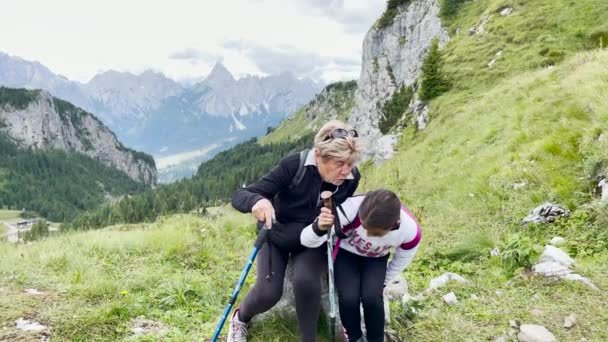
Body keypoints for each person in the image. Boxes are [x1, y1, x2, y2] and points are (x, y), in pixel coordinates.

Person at [228, 120, 363, 342]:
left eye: (350, 163)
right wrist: (257, 201)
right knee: (268, 292)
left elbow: (341, 210)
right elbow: (240, 195)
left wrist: (332, 223)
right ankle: (240, 318)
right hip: (277, 235)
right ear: (319, 155)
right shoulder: (294, 166)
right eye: (340, 163)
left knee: (306, 282)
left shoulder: (350, 179)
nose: (346, 171)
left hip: (313, 237)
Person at [301, 189, 421, 342]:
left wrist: (384, 280)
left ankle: (376, 339)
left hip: (376, 258)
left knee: (372, 298)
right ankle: (354, 337)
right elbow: (305, 240)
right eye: (364, 227)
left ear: (394, 224)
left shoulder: (409, 231)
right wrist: (318, 227)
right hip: (346, 253)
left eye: (376, 233)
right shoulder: (350, 208)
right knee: (349, 298)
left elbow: (402, 259)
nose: (368, 235)